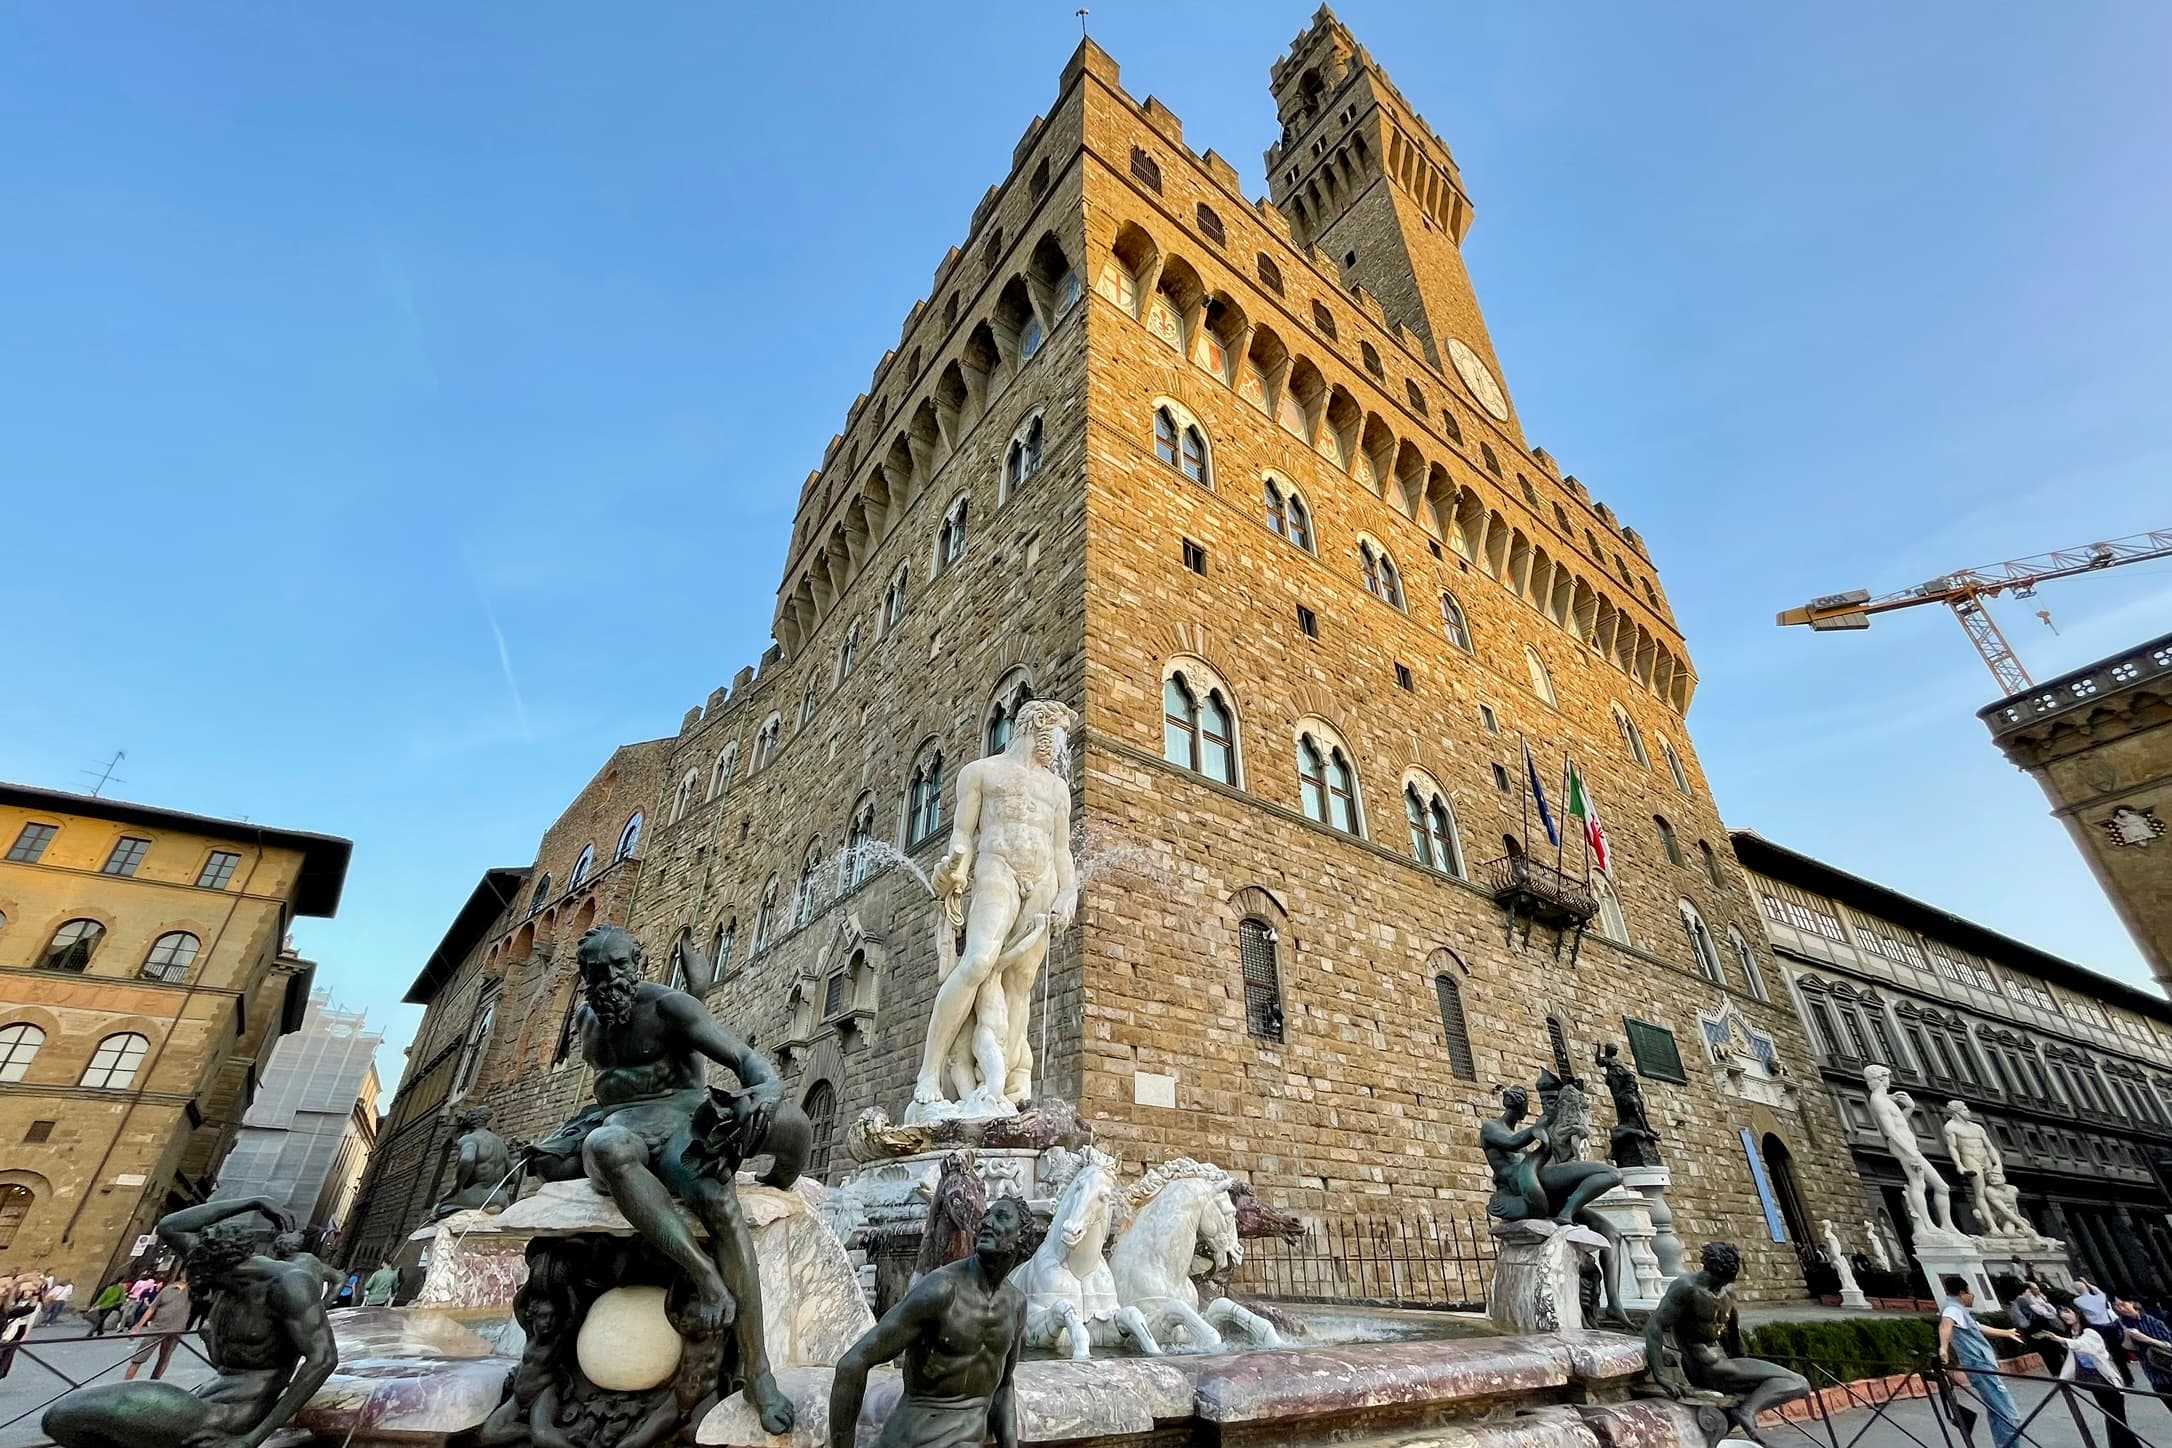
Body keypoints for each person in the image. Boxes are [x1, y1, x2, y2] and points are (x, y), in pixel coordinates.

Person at [42, 1195, 339, 1448]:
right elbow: (170, 1227)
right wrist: (254, 1202)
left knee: (63, 1416)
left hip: (226, 1416)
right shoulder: (224, 1268)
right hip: (203, 1396)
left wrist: (252, 1439)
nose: (203, 1288)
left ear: (222, 1269)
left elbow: (323, 1360)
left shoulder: (288, 1285)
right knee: (67, 1423)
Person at [829, 1195, 1030, 1448]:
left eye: (1000, 1217)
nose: (986, 1222)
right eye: (986, 1215)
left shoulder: (1016, 1304)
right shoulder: (941, 1290)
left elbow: (1002, 1388)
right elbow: (852, 1364)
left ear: (1021, 1238)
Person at [2034, 1304, 2141, 1448]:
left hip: (2107, 1380)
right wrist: (2062, 1379)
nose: (2065, 1315)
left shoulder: (2090, 1332)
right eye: (2061, 1313)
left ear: (2077, 1313)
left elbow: (2082, 1345)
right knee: (2111, 1419)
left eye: (2067, 1311)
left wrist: (2059, 1339)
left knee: (2117, 1420)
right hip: (2094, 1383)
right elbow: (2072, 1359)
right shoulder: (2073, 1333)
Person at [1940, 1275, 2028, 1448]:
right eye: (1970, 1292)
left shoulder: (1957, 1309)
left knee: (1996, 1410)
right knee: (2008, 1413)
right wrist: (1943, 1348)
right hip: (1979, 1364)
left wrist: (2006, 1333)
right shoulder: (1953, 1308)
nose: (1973, 1296)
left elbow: (1977, 1327)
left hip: (1978, 1364)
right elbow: (1945, 1324)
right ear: (1962, 1292)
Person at [123, 1276, 191, 1381]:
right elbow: (152, 1308)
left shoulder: (193, 1293)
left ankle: (154, 1383)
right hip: (156, 1328)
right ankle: (126, 1384)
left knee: (164, 1359)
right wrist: (138, 1326)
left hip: (176, 1330)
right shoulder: (168, 1289)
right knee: (139, 1358)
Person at [2114, 1298, 2172, 1395]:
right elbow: (2129, 1348)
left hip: (2168, 1366)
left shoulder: (2153, 1321)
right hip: (2153, 1373)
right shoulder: (2120, 1324)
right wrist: (2127, 1337)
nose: (2121, 1309)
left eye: (2123, 1304)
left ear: (2132, 1303)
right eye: (2117, 1306)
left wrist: (2146, 1339)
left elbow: (2169, 1344)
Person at [2010, 1281, 2066, 1375]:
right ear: (2027, 1290)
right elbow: (2039, 1313)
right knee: (2051, 1351)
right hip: (2038, 1329)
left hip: (2035, 1330)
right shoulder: (2024, 1300)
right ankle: (2059, 1374)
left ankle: (2058, 1373)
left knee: (2049, 1352)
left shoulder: (2019, 1301)